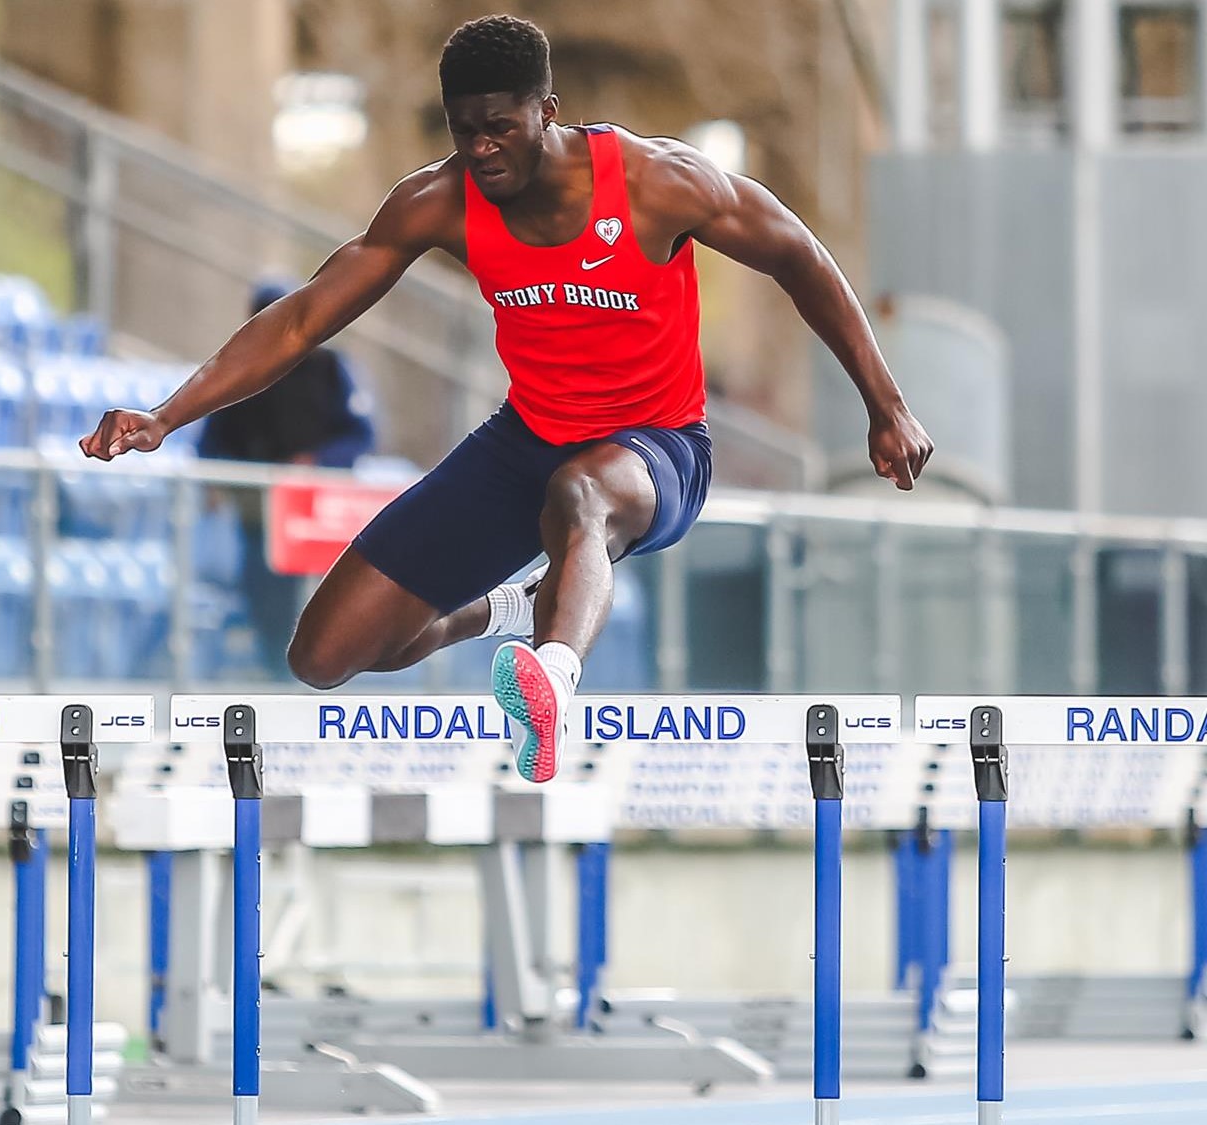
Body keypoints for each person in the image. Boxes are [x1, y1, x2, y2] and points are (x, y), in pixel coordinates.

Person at [80, 15, 932, 783]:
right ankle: (510, 609)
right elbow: (301, 319)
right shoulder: (436, 202)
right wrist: (167, 412)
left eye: (501, 128)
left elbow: (798, 254)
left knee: (584, 492)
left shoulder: (653, 182)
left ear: (547, 110)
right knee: (327, 652)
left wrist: (885, 403)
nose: (482, 150)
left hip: (656, 445)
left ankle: (553, 679)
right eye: (464, 133)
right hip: (525, 442)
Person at [197, 279, 375, 679]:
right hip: (258, 512)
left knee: (324, 596)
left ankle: (321, 675)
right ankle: (277, 671)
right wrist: (216, 480)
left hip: (317, 512)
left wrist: (315, 462)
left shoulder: (329, 368)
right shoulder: (235, 369)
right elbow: (209, 441)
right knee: (265, 592)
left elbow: (360, 435)